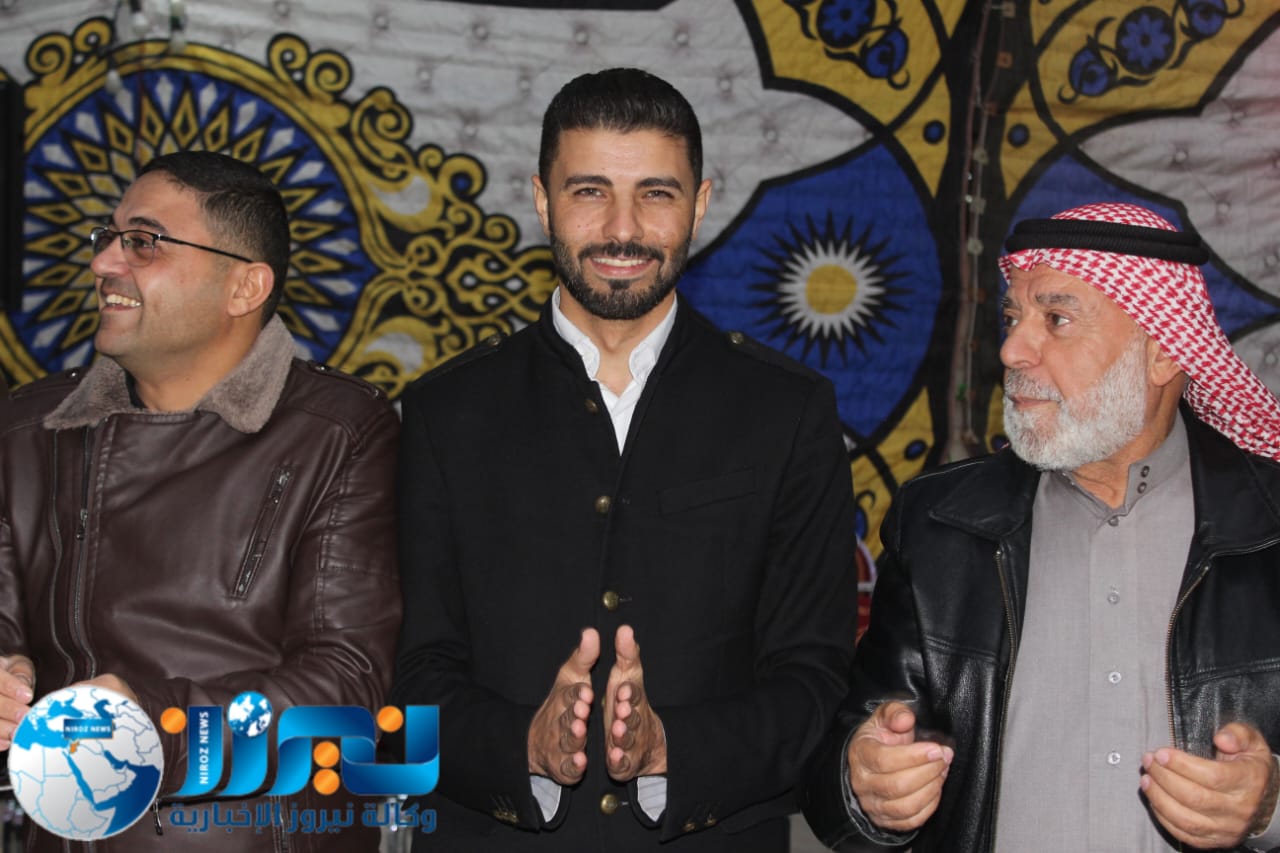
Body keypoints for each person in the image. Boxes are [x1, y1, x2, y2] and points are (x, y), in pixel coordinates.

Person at [389, 67, 859, 852]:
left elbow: (816, 680)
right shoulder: (446, 411)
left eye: (656, 194)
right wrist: (522, 745)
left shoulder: (787, 411)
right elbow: (410, 676)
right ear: (542, 200)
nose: (622, 229)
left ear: (700, 205)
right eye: (589, 192)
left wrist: (674, 748)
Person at [801, 201, 1280, 852]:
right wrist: (864, 784)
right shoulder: (941, 528)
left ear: (1164, 352)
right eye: (1012, 319)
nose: (1011, 350)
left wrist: (1269, 804)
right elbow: (841, 765)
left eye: (1056, 319)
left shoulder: (1269, 525)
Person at [0, 151, 401, 852]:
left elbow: (344, 687)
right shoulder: (27, 427)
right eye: (108, 238)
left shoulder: (338, 431)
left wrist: (158, 730)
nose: (104, 263)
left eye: (144, 242)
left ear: (245, 286)